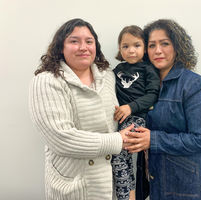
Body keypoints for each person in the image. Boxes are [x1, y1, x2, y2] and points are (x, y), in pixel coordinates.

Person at [29, 18, 134, 200]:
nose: (83, 47)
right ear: (60, 47)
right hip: (74, 187)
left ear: (96, 46)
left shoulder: (108, 76)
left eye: (89, 41)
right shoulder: (46, 81)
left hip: (110, 184)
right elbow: (61, 138)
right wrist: (117, 140)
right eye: (74, 41)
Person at [124, 19, 201, 200]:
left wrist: (153, 139)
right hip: (152, 182)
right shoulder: (141, 84)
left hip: (185, 186)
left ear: (177, 47)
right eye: (151, 45)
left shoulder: (192, 84)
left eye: (165, 43)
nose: (158, 50)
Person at [111, 25, 160, 200]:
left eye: (137, 45)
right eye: (125, 46)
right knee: (120, 159)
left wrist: (130, 107)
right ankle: (130, 193)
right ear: (119, 48)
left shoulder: (148, 69)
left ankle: (128, 197)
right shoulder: (117, 70)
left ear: (145, 47)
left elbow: (153, 95)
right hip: (119, 122)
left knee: (118, 156)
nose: (131, 50)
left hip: (138, 119)